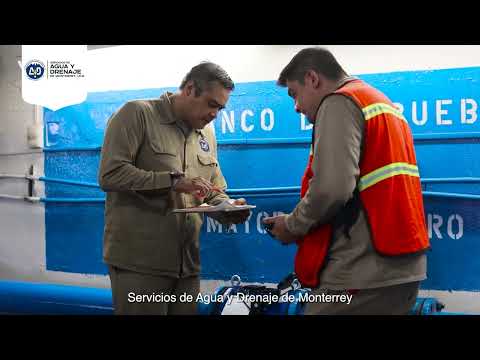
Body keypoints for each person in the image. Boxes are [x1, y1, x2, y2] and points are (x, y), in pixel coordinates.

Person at [263, 47, 430, 315]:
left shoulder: (339, 102)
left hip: (360, 271)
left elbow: (331, 188)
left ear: (313, 79)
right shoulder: (382, 105)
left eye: (294, 94)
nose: (296, 107)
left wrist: (293, 225)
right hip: (401, 269)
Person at [98, 62, 251, 315]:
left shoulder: (207, 134)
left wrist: (227, 208)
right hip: (140, 265)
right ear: (190, 89)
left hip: (187, 265)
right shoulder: (137, 114)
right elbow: (110, 175)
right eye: (212, 104)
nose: (215, 114)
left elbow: (212, 189)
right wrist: (171, 182)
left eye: (221, 108)